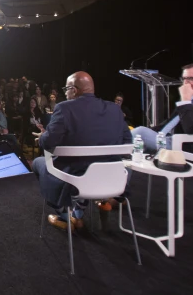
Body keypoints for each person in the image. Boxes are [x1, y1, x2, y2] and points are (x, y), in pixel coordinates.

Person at [32, 71, 132, 231]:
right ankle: (78, 214)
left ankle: (65, 217)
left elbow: (48, 142)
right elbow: (128, 142)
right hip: (111, 178)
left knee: (38, 163)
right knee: (87, 166)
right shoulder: (114, 110)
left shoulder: (64, 108)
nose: (64, 92)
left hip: (75, 179)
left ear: (74, 89)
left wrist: (42, 136)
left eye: (66, 88)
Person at [131, 64, 193, 155]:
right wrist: (152, 131)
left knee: (139, 133)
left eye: (191, 78)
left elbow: (192, 130)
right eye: (184, 78)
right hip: (167, 139)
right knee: (129, 145)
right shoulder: (191, 97)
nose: (186, 83)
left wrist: (185, 101)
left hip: (186, 148)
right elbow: (169, 124)